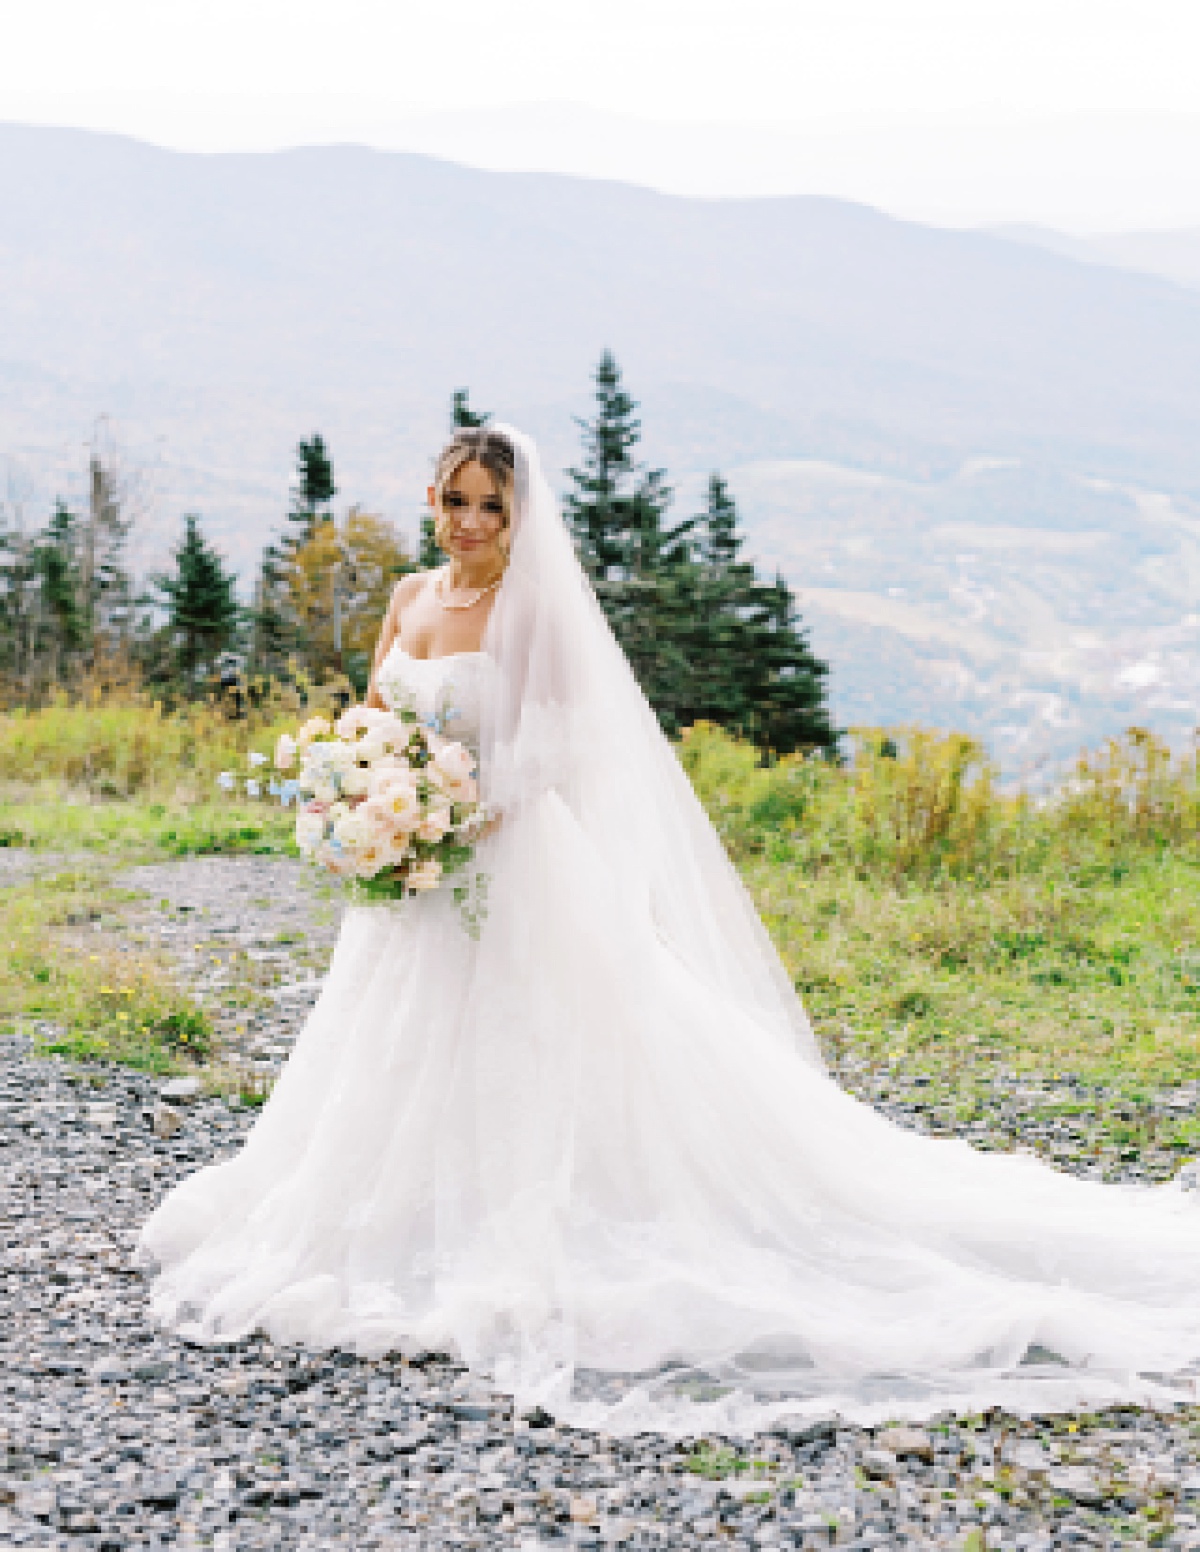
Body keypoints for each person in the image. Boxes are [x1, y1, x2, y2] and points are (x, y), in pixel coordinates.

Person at [140, 426, 1200, 1435]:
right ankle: (397, 1214)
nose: (469, 522)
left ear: (518, 516)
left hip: (502, 863)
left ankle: (534, 1215)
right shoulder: (411, 596)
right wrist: (368, 797)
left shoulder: (534, 614)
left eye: (490, 507)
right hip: (412, 874)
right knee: (394, 1045)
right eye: (455, 501)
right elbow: (375, 713)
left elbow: (559, 752)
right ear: (432, 500)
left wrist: (448, 816)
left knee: (535, 1041)